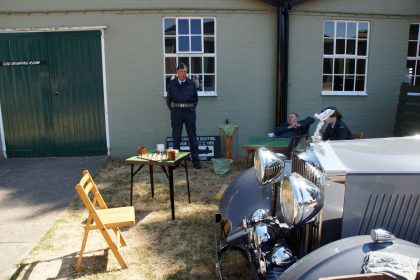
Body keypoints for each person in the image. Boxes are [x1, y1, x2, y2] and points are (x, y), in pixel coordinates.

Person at [166, 63, 201, 169]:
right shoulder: (172, 84)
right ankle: (175, 162)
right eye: (181, 71)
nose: (184, 73)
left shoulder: (191, 84)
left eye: (185, 71)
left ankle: (196, 161)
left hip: (189, 112)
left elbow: (196, 100)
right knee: (176, 137)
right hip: (176, 112)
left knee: (192, 137)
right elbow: (168, 100)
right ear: (177, 72)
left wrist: (190, 109)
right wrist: (173, 110)